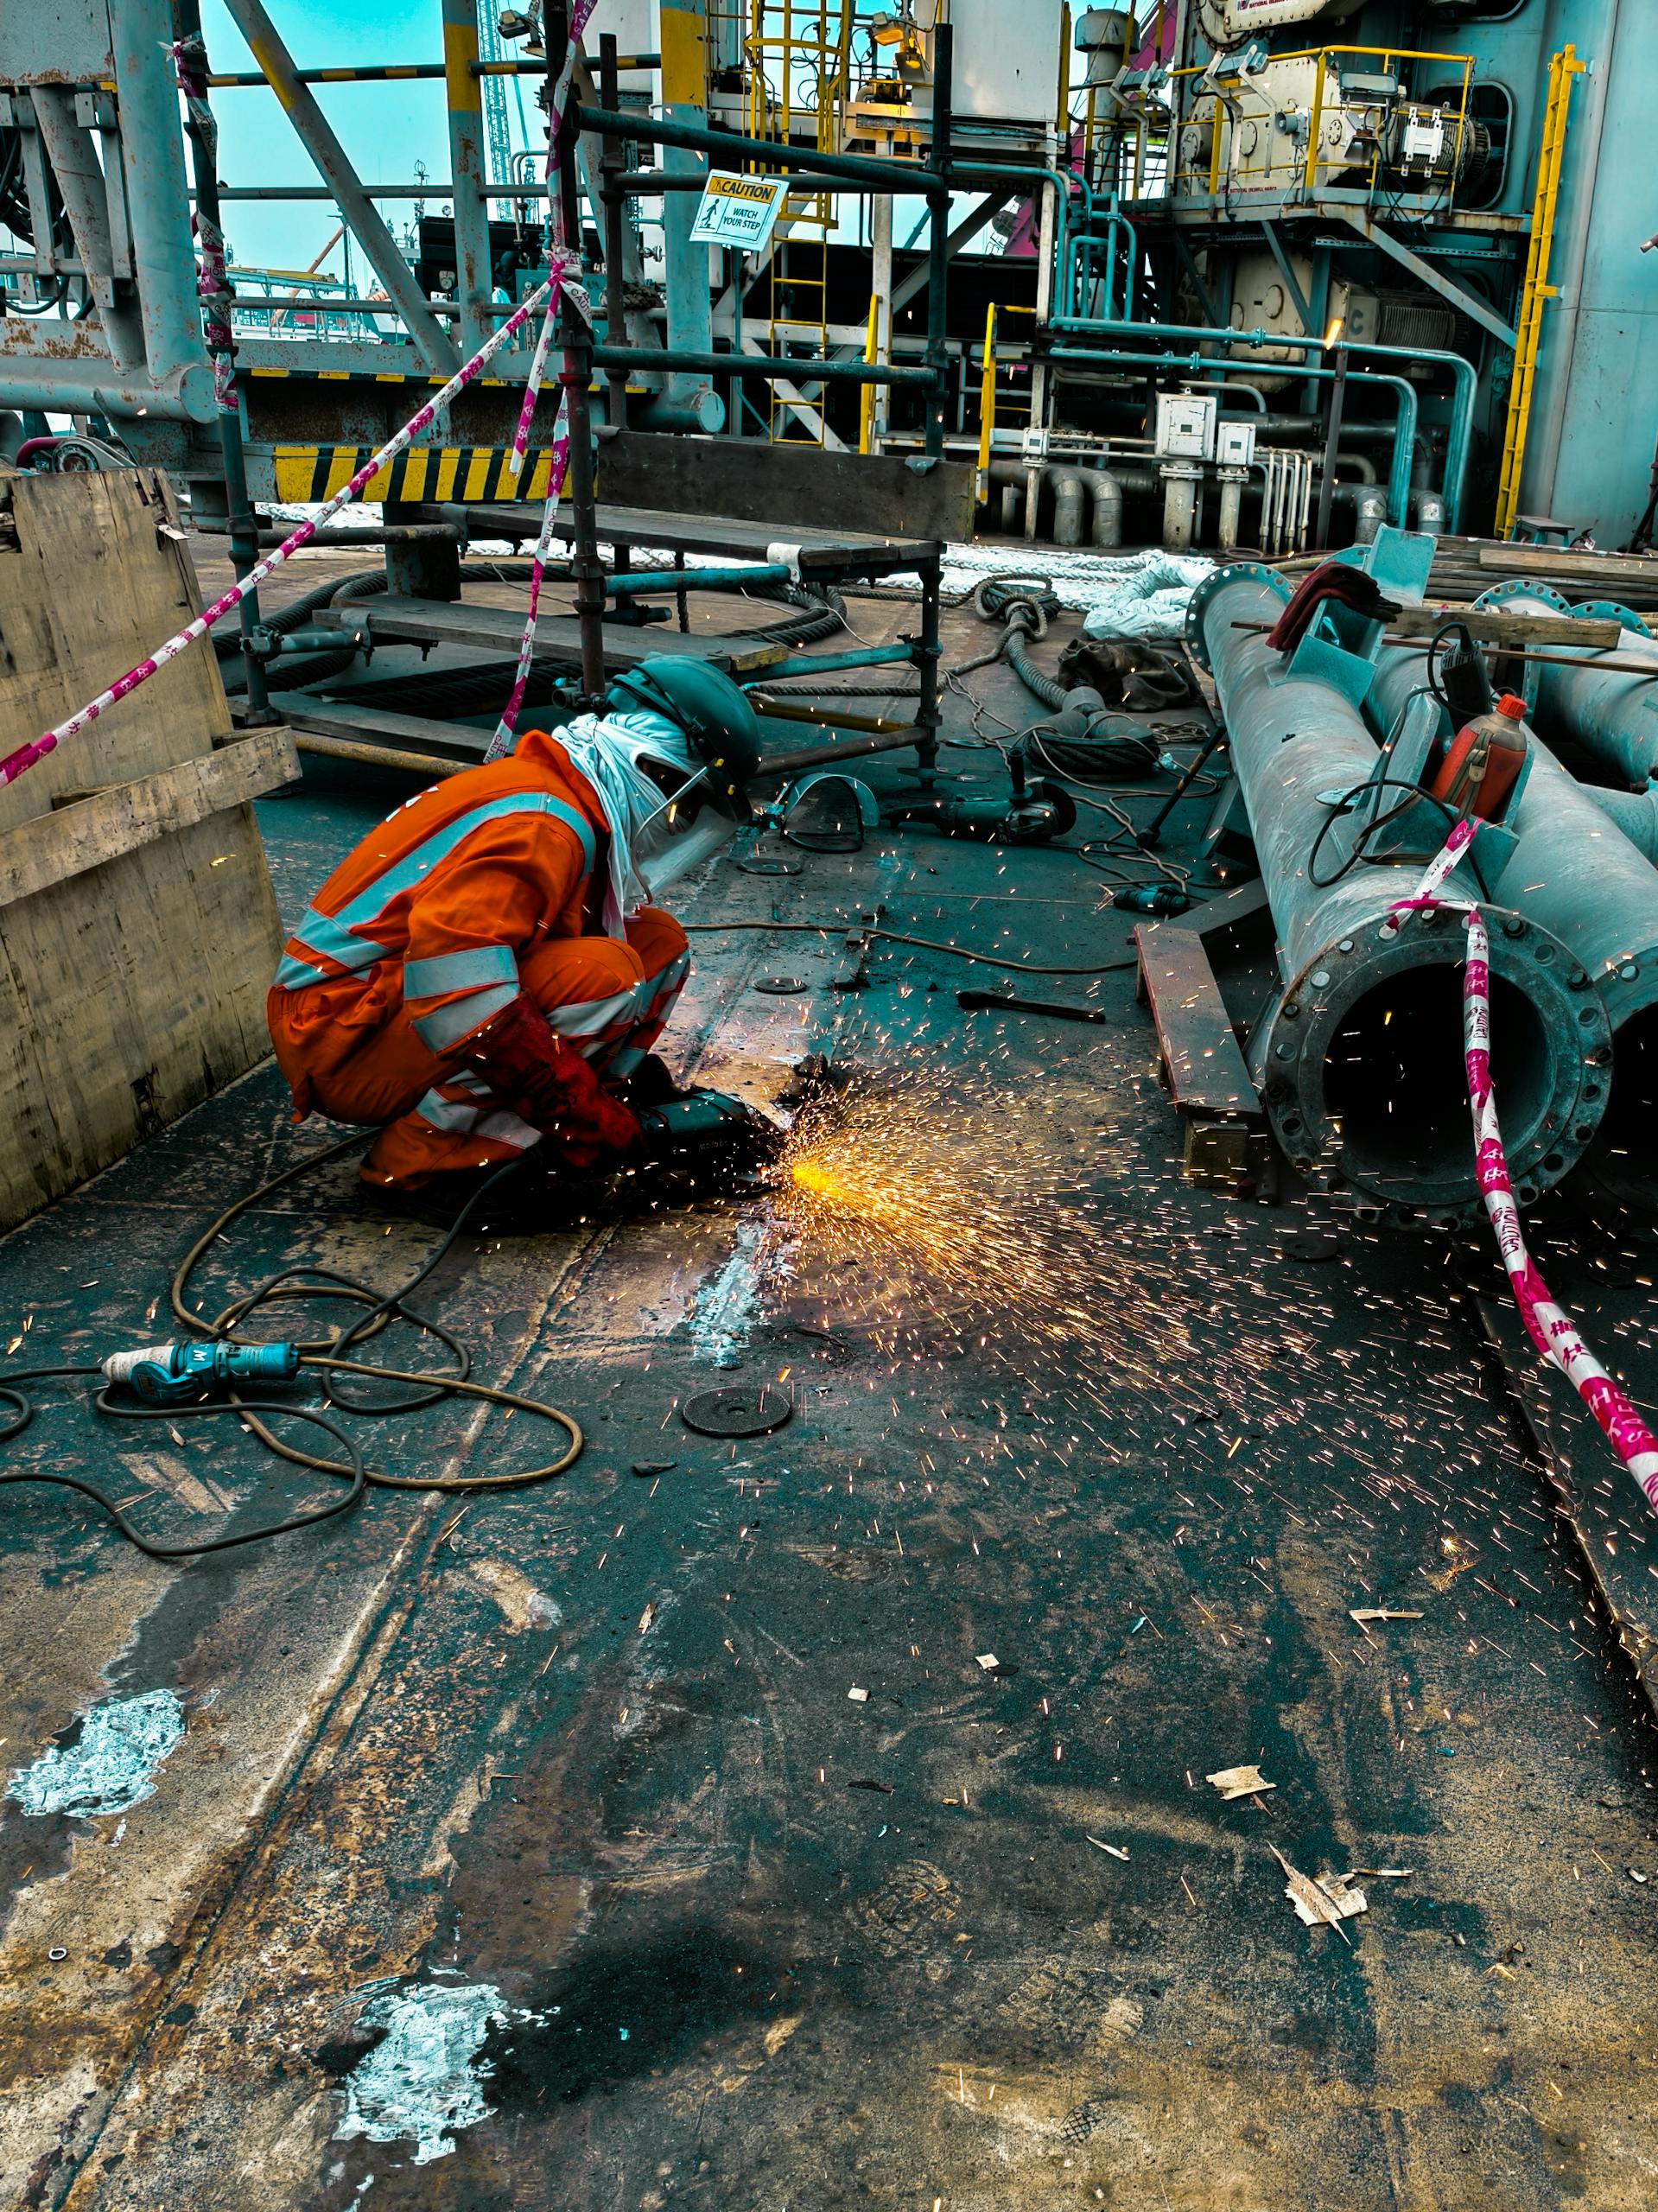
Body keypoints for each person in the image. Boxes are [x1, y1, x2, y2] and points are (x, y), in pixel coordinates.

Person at [266, 658, 763, 1200]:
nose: (677, 825)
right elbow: (462, 996)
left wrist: (621, 1103)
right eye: (684, 807)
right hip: (339, 1034)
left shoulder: (564, 800)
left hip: (382, 1005)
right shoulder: (542, 827)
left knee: (658, 944)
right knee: (606, 977)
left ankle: (561, 1117)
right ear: (654, 772)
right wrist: (586, 1121)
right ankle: (423, 1164)